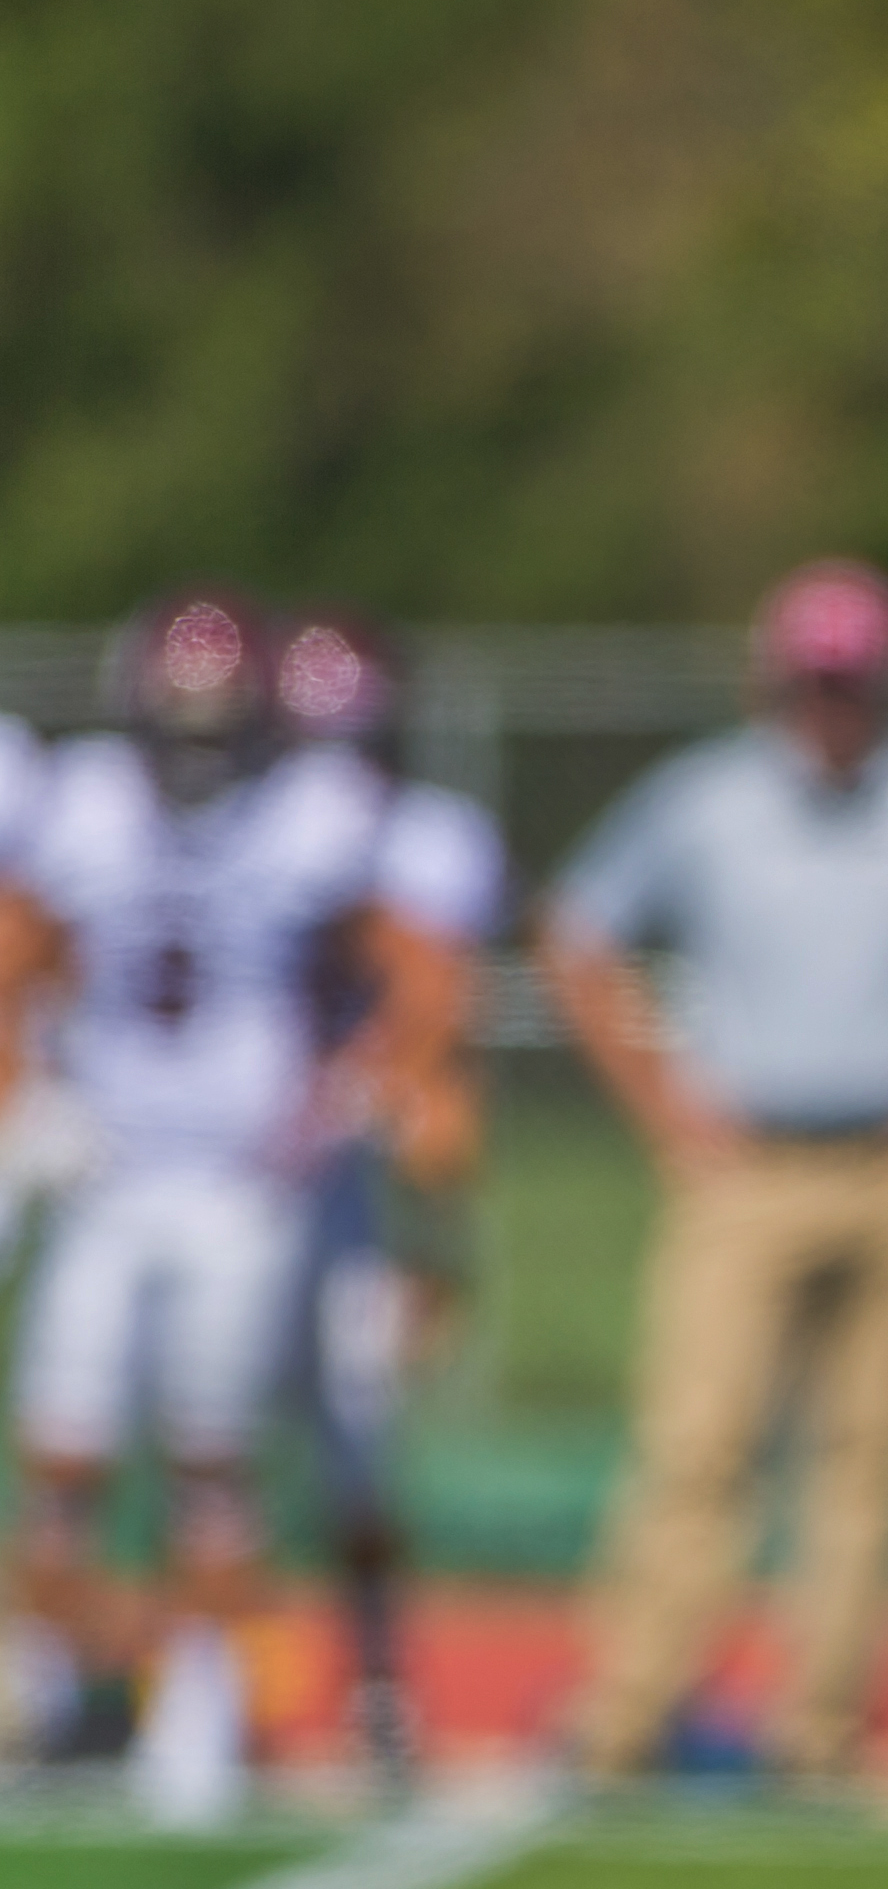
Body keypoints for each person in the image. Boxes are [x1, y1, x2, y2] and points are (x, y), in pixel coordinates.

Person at [543, 559, 888, 1790]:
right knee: (697, 1443)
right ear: (773, 680)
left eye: (853, 684)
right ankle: (628, 1711)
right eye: (813, 682)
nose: (832, 708)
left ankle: (819, 1730)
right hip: (742, 1165)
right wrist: (665, 1105)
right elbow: (578, 939)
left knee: (868, 1461)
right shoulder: (703, 802)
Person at [0, 589, 444, 1826]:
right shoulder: (80, 802)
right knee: (63, 1452)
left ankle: (199, 1707)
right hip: (109, 1174)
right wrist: (24, 1086)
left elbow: (410, 967)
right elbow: (16, 947)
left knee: (213, 1461)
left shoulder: (316, 818)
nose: (194, 744)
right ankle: (60, 1696)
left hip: (247, 1189)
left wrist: (372, 1078)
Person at [271, 606, 498, 1794]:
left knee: (356, 1446)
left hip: (346, 1181)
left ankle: (374, 1681)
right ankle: (152, 1679)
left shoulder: (428, 841)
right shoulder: (225, 827)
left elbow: (435, 1040)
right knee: (170, 1431)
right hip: (218, 1167)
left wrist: (435, 1226)